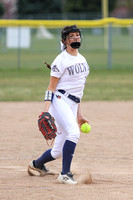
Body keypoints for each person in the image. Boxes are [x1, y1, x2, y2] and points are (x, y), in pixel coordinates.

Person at [28, 25, 90, 184]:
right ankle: (65, 174)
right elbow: (51, 88)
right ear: (64, 40)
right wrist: (45, 112)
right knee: (74, 133)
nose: (75, 38)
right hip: (60, 101)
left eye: (77, 35)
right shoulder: (60, 61)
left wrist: (79, 114)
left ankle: (36, 164)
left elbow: (78, 91)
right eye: (71, 36)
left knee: (58, 152)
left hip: (73, 103)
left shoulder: (82, 59)